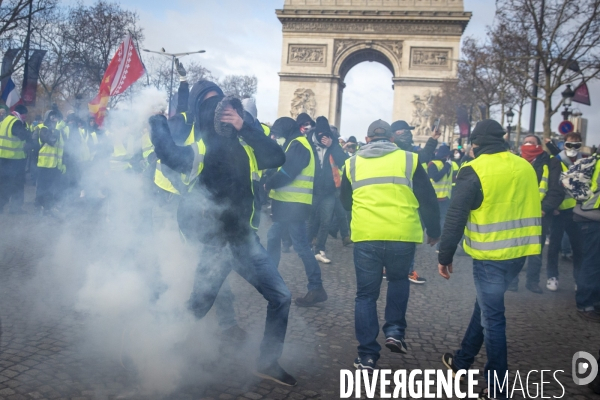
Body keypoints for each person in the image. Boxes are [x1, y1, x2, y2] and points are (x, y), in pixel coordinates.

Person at [149, 91, 296, 385]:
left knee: (281, 296)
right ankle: (150, 346)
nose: (221, 110)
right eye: (212, 103)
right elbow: (169, 154)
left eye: (226, 105)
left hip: (245, 241)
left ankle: (268, 362)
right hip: (216, 243)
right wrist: (157, 120)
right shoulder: (202, 146)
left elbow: (277, 156)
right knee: (197, 306)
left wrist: (245, 126)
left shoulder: (247, 144)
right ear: (203, 110)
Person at [438, 119, 542, 400]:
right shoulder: (525, 166)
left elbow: (456, 216)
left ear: (475, 145)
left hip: (490, 255)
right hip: (519, 252)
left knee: (493, 317)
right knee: (484, 307)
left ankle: (498, 389)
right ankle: (462, 362)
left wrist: (445, 255)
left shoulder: (473, 170)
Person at [340, 119, 440, 374]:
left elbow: (346, 201)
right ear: (392, 140)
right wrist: (434, 230)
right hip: (402, 234)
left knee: (365, 295)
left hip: (367, 235)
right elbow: (427, 197)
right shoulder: (409, 159)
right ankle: (395, 331)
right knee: (397, 281)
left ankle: (367, 356)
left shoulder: (351, 162)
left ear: (367, 139)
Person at [265, 117, 327, 307]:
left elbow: (288, 173)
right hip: (288, 205)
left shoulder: (298, 145)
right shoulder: (294, 143)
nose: (276, 137)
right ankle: (269, 278)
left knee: (300, 246)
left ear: (286, 132)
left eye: (277, 133)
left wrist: (268, 184)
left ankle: (316, 286)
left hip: (294, 206)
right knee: (273, 237)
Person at [508, 135, 564, 293]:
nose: (528, 145)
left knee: (535, 251)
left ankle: (532, 282)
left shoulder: (550, 162)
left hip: (540, 213)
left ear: (539, 146)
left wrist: (545, 208)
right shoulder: (515, 160)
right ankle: (512, 281)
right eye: (525, 142)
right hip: (517, 212)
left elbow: (555, 189)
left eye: (532, 143)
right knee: (515, 248)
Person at [391, 120, 440, 284]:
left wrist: (432, 139)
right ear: (396, 133)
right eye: (405, 130)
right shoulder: (400, 151)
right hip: (408, 200)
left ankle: (390, 268)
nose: (409, 133)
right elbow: (421, 158)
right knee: (408, 237)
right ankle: (407, 270)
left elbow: (422, 156)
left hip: (399, 198)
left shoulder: (403, 150)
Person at [544, 134, 583, 292]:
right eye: (569, 145)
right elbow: (553, 183)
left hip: (577, 212)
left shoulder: (584, 161)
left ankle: (579, 279)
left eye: (576, 145)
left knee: (579, 248)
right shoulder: (557, 161)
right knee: (554, 246)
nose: (572, 148)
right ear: (564, 144)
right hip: (559, 211)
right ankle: (552, 276)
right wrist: (552, 206)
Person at [307, 116, 348, 264]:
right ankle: (307, 247)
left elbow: (343, 161)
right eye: (321, 134)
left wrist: (332, 145)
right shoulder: (308, 143)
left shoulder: (333, 143)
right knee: (310, 220)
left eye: (326, 135)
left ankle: (319, 249)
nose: (324, 137)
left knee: (326, 221)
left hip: (329, 191)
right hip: (312, 190)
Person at [570, 149, 600, 322]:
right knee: (592, 263)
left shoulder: (592, 161)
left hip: (586, 216)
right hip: (593, 217)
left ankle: (592, 301)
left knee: (592, 262)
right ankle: (585, 304)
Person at [0, 105, 30, 214]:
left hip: (3, 158)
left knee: (4, 184)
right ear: (21, 113)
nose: (25, 118)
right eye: (25, 116)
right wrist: (29, 134)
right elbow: (23, 135)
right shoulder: (16, 122)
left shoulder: (5, 120)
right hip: (14, 159)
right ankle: (15, 208)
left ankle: (1, 207)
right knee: (18, 184)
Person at [35, 111, 65, 216]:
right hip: (44, 164)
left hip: (54, 165)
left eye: (56, 117)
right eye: (52, 117)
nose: (55, 119)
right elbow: (51, 141)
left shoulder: (58, 130)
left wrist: (62, 163)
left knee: (51, 188)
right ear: (47, 117)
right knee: (43, 187)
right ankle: (40, 207)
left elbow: (62, 147)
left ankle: (48, 207)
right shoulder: (44, 129)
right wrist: (57, 129)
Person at [427, 144, 453, 251]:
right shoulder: (433, 164)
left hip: (445, 198)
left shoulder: (449, 164)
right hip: (434, 197)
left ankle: (440, 245)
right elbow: (436, 178)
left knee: (443, 222)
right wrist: (447, 166)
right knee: (431, 221)